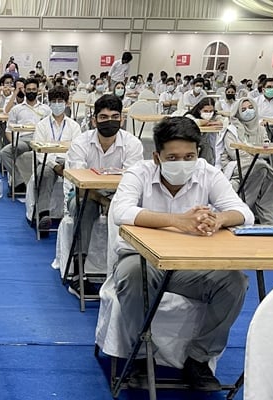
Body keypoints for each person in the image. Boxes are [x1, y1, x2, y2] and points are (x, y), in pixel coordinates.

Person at [109, 116, 252, 392]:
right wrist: (178, 221)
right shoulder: (138, 173)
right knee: (132, 277)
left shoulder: (208, 173)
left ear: (198, 154)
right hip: (143, 260)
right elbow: (121, 212)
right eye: (172, 157)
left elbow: (245, 214)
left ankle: (198, 359)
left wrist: (219, 219)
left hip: (188, 266)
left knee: (235, 282)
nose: (182, 163)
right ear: (157, 157)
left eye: (189, 156)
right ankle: (139, 356)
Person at [64, 94, 143, 296]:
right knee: (83, 207)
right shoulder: (81, 142)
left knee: (133, 213)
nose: (110, 121)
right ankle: (78, 272)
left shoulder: (133, 144)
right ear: (94, 120)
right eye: (104, 117)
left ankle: (126, 271)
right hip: (86, 195)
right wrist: (103, 200)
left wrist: (114, 201)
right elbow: (79, 182)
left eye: (115, 117)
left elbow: (133, 183)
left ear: (122, 119)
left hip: (121, 196)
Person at [217, 97, 273, 224]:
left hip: (257, 164)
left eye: (250, 108)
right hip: (234, 165)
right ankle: (261, 219)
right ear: (237, 112)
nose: (248, 111)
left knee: (264, 171)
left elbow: (266, 150)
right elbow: (235, 154)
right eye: (243, 109)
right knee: (263, 168)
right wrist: (256, 153)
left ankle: (266, 220)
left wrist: (255, 153)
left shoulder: (260, 129)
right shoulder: (232, 130)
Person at [30, 86, 82, 232]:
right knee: (43, 174)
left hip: (68, 162)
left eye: (60, 101)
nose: (57, 104)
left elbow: (78, 150)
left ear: (66, 103)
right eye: (54, 101)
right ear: (49, 103)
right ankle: (44, 214)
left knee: (79, 174)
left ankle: (74, 215)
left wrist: (66, 165)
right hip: (49, 162)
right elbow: (39, 151)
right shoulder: (42, 125)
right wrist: (54, 166)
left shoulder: (74, 126)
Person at [0, 78, 51, 194]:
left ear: (38, 90)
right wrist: (14, 142)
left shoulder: (46, 109)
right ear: (24, 91)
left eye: (34, 89)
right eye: (28, 90)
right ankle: (21, 182)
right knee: (5, 153)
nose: (31, 92)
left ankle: (36, 184)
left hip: (40, 140)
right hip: (22, 140)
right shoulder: (16, 109)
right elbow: (8, 130)